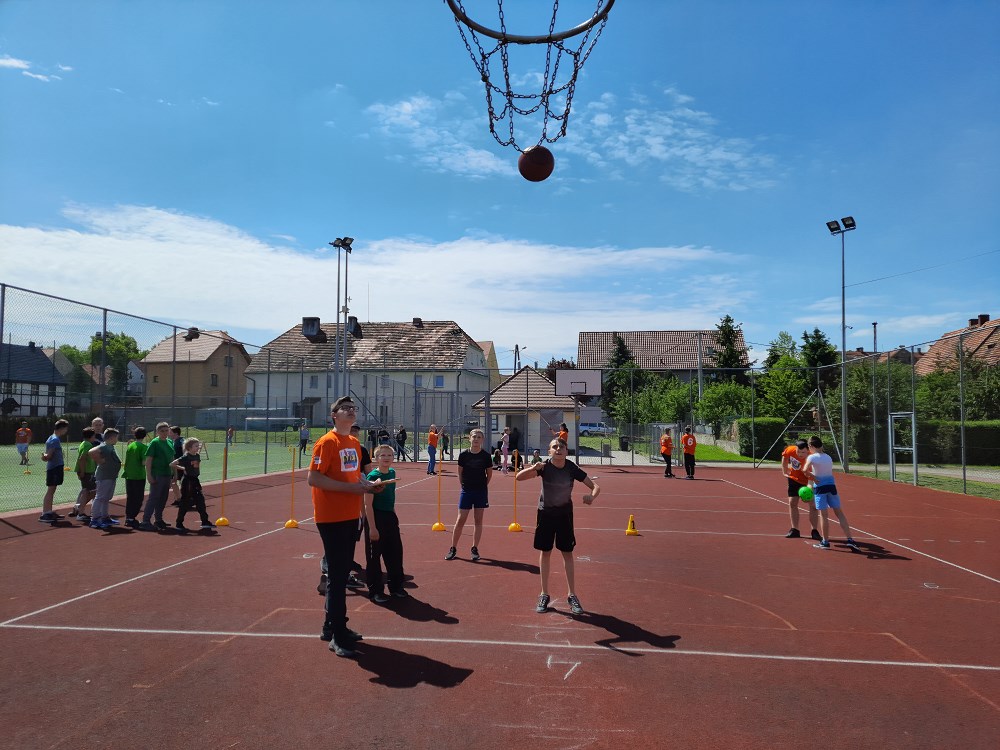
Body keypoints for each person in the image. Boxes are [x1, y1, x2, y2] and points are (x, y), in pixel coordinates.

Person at [308, 396, 383, 658]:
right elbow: (313, 478)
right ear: (334, 415)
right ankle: (338, 635)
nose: (351, 412)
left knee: (340, 574)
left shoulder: (353, 443)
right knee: (338, 577)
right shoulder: (326, 442)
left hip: (351, 515)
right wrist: (351, 489)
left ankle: (331, 626)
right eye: (345, 409)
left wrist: (367, 485)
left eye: (353, 409)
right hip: (331, 517)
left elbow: (355, 476)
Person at [516, 437, 600, 615]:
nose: (558, 449)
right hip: (545, 514)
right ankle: (544, 594)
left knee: (567, 553)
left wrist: (591, 497)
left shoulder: (571, 468)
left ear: (566, 451)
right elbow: (519, 477)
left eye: (562, 446)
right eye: (554, 446)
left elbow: (595, 486)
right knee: (545, 552)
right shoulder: (544, 467)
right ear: (549, 451)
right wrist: (533, 468)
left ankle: (572, 595)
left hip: (564, 516)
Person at [363, 444, 406, 603]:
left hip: (389, 517)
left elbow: (390, 498)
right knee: (374, 556)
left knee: (395, 552)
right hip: (376, 517)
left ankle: (396, 586)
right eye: (383, 455)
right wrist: (372, 528)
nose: (386, 458)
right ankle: (375, 591)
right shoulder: (372, 476)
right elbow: (367, 504)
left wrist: (393, 515)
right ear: (376, 458)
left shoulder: (392, 473)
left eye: (389, 455)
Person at [802, 436, 859, 550]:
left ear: (811, 446)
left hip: (820, 488)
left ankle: (825, 542)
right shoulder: (828, 457)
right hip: (831, 487)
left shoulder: (812, 457)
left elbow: (804, 470)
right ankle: (850, 539)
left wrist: (813, 477)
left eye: (808, 446)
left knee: (824, 515)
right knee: (839, 513)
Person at [445, 428, 493, 562]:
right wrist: (464, 485)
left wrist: (483, 486)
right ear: (470, 438)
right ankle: (453, 548)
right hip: (466, 491)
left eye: (479, 437)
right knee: (461, 519)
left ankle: (474, 548)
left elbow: (489, 474)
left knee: (478, 520)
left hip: (481, 492)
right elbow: (460, 472)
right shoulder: (463, 455)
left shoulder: (486, 456)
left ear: (482, 440)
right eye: (474, 437)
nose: (476, 439)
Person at [171, 438, 215, 533]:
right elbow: (172, 464)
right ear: (189, 448)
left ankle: (205, 521)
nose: (198, 447)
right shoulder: (186, 457)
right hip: (188, 482)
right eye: (196, 446)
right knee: (185, 502)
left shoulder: (197, 456)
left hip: (195, 480)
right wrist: (183, 468)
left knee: (200, 500)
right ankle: (179, 523)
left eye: (198, 445)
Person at [139, 422, 176, 531]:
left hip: (167, 473)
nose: (164, 433)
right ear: (157, 432)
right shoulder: (154, 443)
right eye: (162, 431)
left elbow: (172, 459)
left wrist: (175, 473)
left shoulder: (170, 442)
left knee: (163, 497)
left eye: (166, 430)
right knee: (154, 497)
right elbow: (149, 460)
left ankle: (158, 519)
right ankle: (146, 521)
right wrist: (149, 475)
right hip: (157, 474)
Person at [782, 439, 821, 540]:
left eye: (803, 452)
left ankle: (814, 531)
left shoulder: (812, 458)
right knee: (792, 503)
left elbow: (813, 476)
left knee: (813, 505)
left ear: (808, 450)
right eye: (798, 451)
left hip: (808, 480)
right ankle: (794, 529)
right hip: (794, 479)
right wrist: (784, 471)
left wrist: (809, 489)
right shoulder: (790, 450)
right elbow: (785, 457)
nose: (800, 454)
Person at [88, 428, 122, 529]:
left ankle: (105, 517)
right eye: (116, 437)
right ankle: (94, 520)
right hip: (104, 477)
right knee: (100, 497)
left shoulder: (109, 447)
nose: (117, 439)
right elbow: (91, 452)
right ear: (112, 437)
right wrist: (99, 460)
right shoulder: (105, 446)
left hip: (110, 476)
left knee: (106, 498)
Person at [38, 419, 70, 523]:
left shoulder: (53, 438)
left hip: (55, 467)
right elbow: (49, 456)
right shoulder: (55, 439)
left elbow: (48, 455)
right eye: (66, 429)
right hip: (54, 468)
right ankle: (45, 513)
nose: (66, 431)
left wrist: (46, 456)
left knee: (52, 489)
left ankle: (49, 511)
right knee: (51, 490)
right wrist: (45, 456)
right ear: (62, 428)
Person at [70, 427, 99, 523]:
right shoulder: (88, 445)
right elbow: (82, 458)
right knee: (92, 491)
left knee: (86, 491)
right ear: (91, 436)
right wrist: (82, 471)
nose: (95, 437)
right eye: (94, 436)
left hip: (87, 471)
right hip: (87, 472)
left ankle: (80, 509)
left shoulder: (83, 443)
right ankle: (80, 511)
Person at [122, 426, 149, 528]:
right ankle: (131, 518)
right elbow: (143, 462)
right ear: (145, 436)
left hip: (129, 475)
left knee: (130, 497)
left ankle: (129, 517)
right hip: (138, 475)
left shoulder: (131, 445)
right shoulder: (143, 447)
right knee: (138, 498)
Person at [169, 425, 184, 506]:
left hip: (181, 466)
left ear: (176, 433)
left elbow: (185, 451)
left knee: (182, 482)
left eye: (170, 432)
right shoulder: (173, 441)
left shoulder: (180, 441)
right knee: (173, 482)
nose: (169, 433)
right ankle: (178, 498)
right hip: (174, 466)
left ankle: (186, 499)